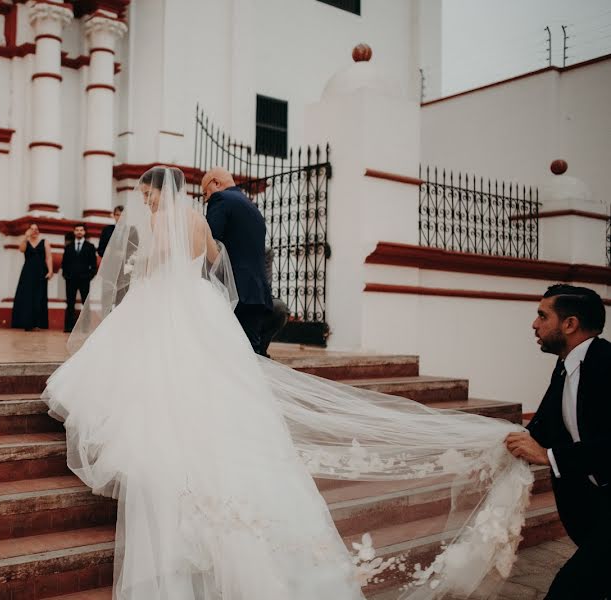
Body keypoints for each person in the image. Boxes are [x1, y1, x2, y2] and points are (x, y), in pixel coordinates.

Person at [44, 167, 533, 600]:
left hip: (171, 303)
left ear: (157, 193)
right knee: (220, 384)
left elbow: (155, 266)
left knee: (156, 373)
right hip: (202, 306)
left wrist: (141, 271)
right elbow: (218, 262)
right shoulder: (201, 218)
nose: (145, 204)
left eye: (147, 196)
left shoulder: (164, 222)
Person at [505, 284, 610, 599]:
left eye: (542, 315)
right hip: (592, 506)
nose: (534, 324)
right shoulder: (565, 366)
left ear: (570, 324)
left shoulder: (607, 365)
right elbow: (546, 423)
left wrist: (549, 456)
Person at [201, 167, 272, 355]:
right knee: (251, 355)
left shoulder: (221, 199)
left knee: (229, 355)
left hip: (234, 291)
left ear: (216, 183)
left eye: (205, 193)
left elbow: (211, 243)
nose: (206, 199)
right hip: (256, 293)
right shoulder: (253, 209)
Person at [11, 223, 53, 331]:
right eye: (32, 229)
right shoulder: (26, 242)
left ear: (38, 231)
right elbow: (21, 249)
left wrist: (50, 271)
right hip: (28, 272)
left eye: (36, 229)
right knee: (27, 297)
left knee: (39, 297)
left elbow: (48, 257)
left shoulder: (45, 242)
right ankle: (26, 323)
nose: (34, 231)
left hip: (41, 272)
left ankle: (38, 323)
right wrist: (25, 237)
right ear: (29, 230)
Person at [61, 224, 97, 333]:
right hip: (70, 280)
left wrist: (88, 277)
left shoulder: (90, 247)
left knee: (85, 303)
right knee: (70, 303)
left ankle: (86, 328)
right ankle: (68, 327)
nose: (79, 232)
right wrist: (66, 275)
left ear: (84, 232)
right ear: (74, 232)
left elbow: (94, 265)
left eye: (81, 230)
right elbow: (64, 264)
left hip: (84, 280)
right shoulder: (68, 247)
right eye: (77, 230)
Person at [258, 248, 291, 357]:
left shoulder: (265, 253)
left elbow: (266, 288)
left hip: (256, 299)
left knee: (280, 308)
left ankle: (260, 351)